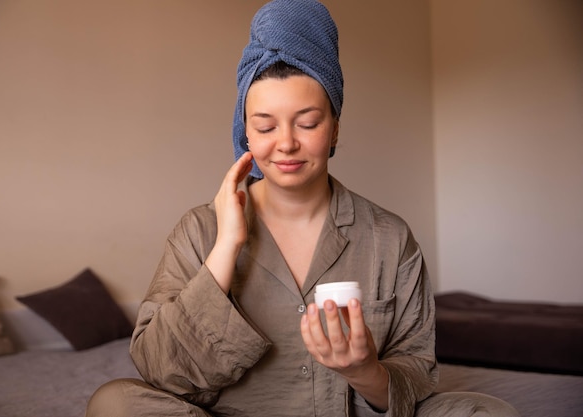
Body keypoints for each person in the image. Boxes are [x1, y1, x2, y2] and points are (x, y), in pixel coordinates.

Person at [86, 1, 519, 416]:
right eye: (265, 125)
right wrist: (226, 246)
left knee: (487, 412)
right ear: (246, 135)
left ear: (333, 129)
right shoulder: (199, 230)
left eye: (308, 122)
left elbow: (415, 374)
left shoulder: (390, 237)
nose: (287, 143)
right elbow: (162, 372)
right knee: (115, 403)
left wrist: (362, 370)